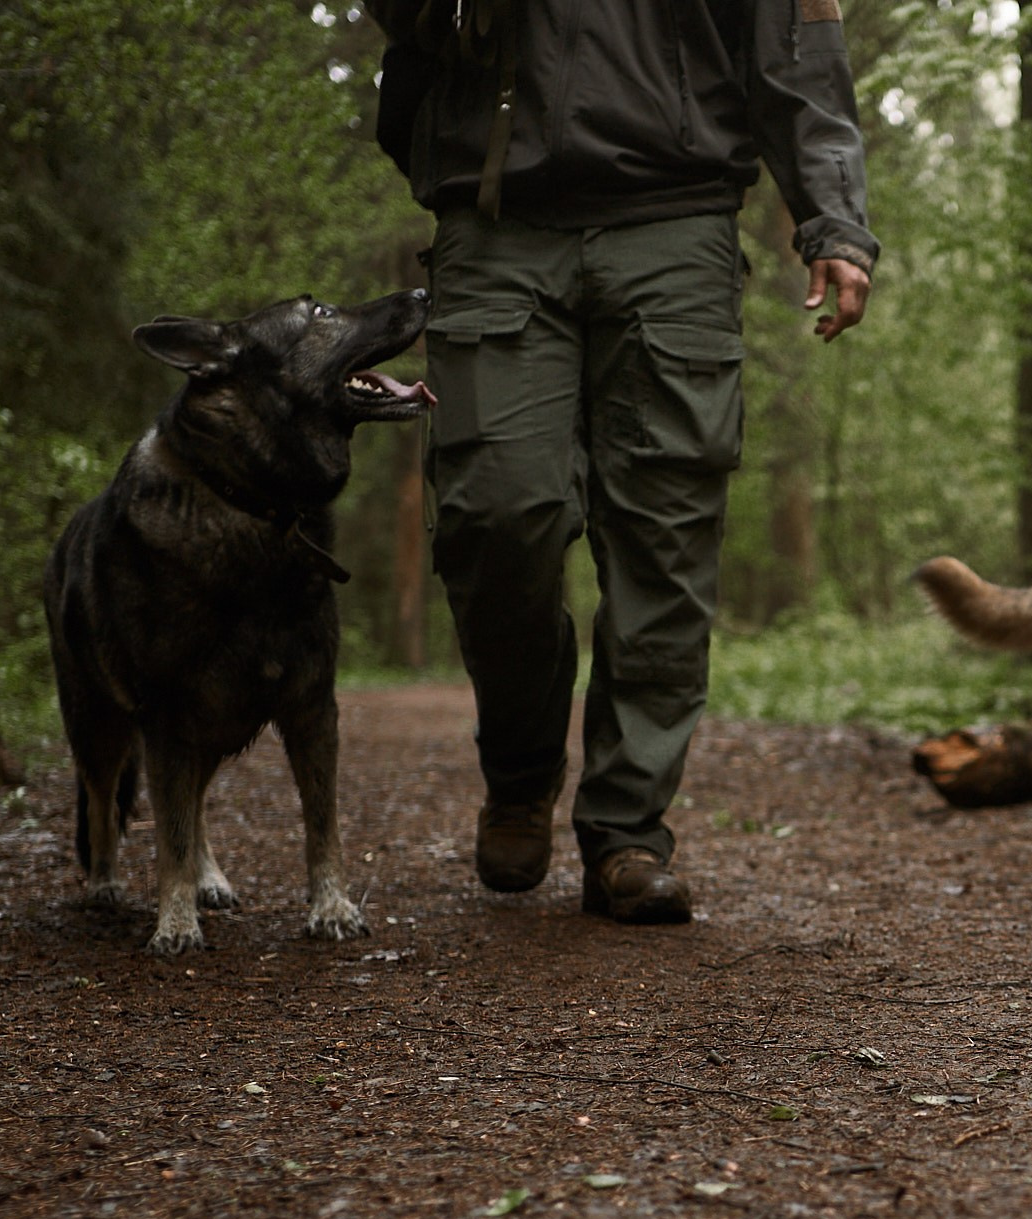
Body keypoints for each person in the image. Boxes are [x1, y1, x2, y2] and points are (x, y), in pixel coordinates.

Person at [367, 0, 878, 924]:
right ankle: (520, 773)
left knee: (666, 539)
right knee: (495, 514)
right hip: (496, 209)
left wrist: (834, 219)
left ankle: (627, 829)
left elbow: (796, 49)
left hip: (675, 218)